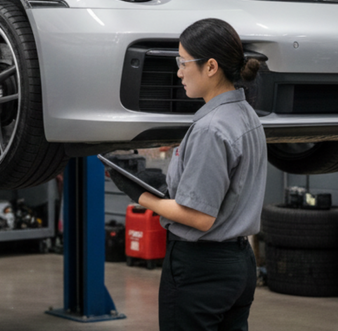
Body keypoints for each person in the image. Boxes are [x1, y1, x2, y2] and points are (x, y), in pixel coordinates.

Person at [109, 18, 266, 331]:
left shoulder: (211, 128)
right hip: (239, 264)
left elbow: (199, 218)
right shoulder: (246, 114)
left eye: (183, 62)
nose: (179, 71)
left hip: (201, 269)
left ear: (210, 67)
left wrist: (139, 194)